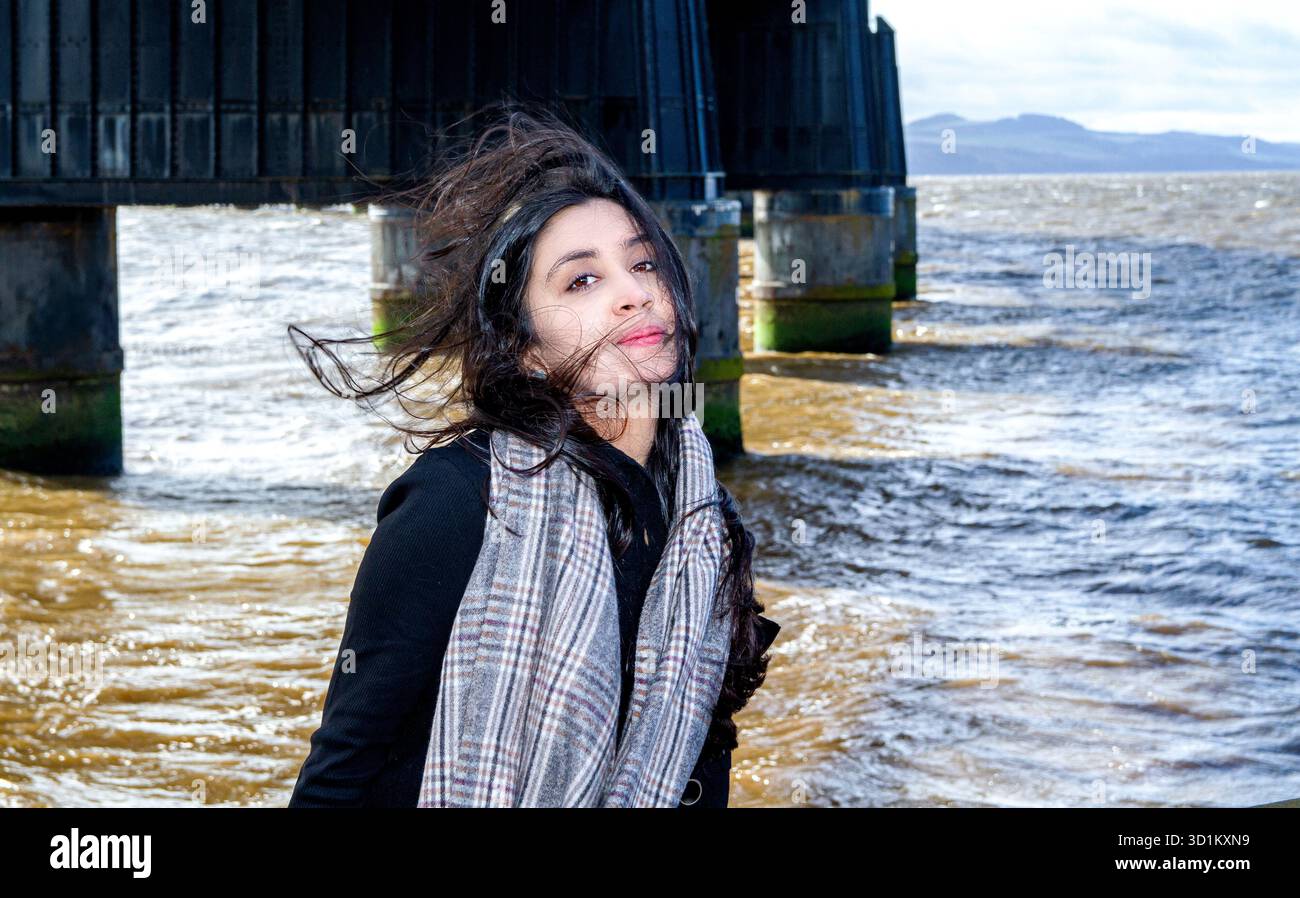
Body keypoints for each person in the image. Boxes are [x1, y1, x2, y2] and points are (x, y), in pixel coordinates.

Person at [286, 102, 779, 807]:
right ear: (526, 350)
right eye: (582, 280)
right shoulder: (455, 503)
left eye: (643, 263)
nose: (634, 294)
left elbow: (703, 760)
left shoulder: (703, 520)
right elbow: (340, 777)